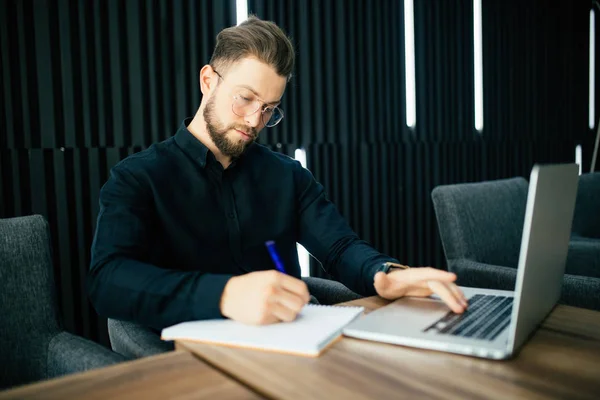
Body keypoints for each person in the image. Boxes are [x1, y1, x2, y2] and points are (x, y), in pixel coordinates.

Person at [88, 16, 467, 331]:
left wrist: (383, 274)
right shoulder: (137, 178)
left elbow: (339, 248)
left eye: (270, 108)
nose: (255, 120)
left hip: (294, 343)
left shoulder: (287, 176)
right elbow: (106, 280)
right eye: (245, 98)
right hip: (192, 361)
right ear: (208, 81)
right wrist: (223, 294)